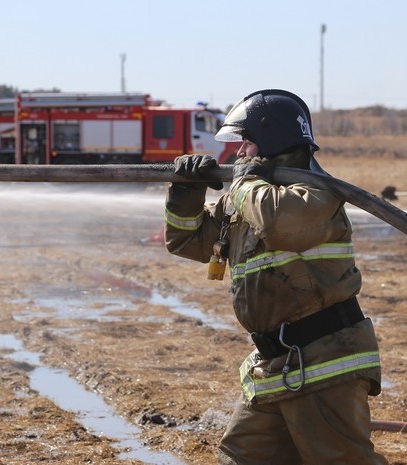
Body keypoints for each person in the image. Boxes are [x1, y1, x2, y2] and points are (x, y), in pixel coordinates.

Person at [164, 89, 388, 464]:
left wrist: (246, 182)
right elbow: (187, 240)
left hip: (325, 360)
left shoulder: (317, 194)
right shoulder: (248, 196)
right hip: (273, 364)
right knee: (242, 457)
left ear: (272, 142)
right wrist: (186, 191)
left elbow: (278, 222)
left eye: (246, 143)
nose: (238, 153)